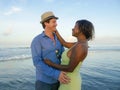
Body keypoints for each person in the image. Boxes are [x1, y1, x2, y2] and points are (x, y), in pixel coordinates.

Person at [44, 19, 95, 90]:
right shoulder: (79, 43)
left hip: (70, 83)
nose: (72, 28)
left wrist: (50, 63)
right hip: (67, 80)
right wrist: (56, 31)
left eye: (75, 27)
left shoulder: (81, 46)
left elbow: (70, 68)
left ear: (81, 30)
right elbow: (64, 43)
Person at [31, 11, 70, 90]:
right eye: (54, 22)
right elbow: (37, 62)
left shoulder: (58, 39)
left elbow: (63, 55)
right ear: (46, 23)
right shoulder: (37, 40)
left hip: (59, 81)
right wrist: (56, 74)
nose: (56, 24)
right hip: (43, 82)